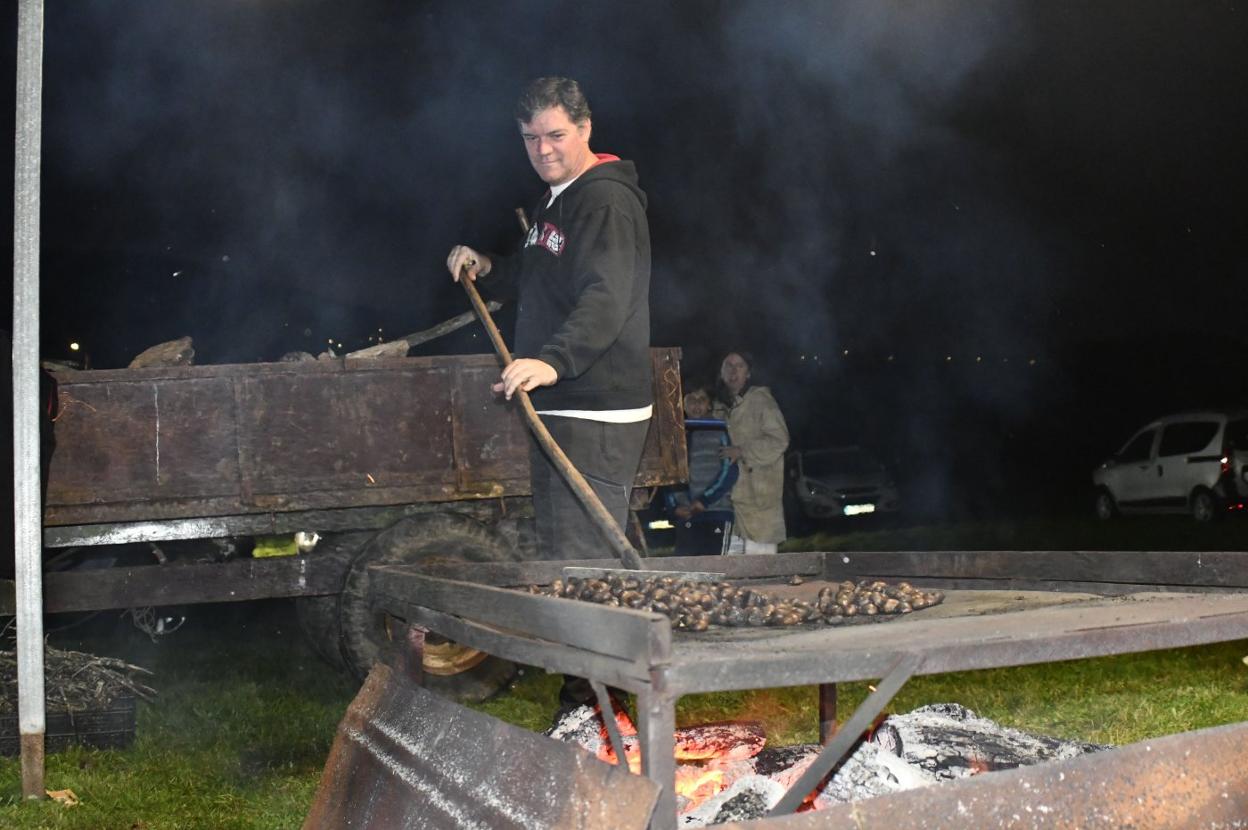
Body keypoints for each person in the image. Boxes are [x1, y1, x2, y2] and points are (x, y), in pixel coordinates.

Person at [445, 77, 652, 562]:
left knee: (587, 562)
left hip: (595, 408)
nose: (542, 150)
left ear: (585, 129)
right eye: (530, 138)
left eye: (555, 135)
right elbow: (534, 279)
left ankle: (608, 639)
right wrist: (487, 265)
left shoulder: (605, 201)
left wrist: (551, 361)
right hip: (560, 402)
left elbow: (607, 298)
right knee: (563, 556)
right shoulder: (556, 200)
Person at [713, 352, 790, 554]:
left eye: (739, 365)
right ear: (721, 372)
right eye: (728, 365)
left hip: (759, 494)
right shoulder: (717, 407)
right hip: (727, 498)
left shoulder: (762, 401)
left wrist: (742, 451)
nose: (733, 370)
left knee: (760, 560)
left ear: (748, 373)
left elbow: (779, 440)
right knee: (729, 564)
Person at [667, 388, 738, 553]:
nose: (696, 404)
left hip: (716, 512)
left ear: (709, 405)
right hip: (686, 514)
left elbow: (729, 472)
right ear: (682, 404)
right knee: (686, 569)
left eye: (702, 399)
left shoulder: (719, 430)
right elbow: (667, 477)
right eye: (691, 399)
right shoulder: (675, 436)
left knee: (716, 568)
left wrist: (704, 501)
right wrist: (674, 507)